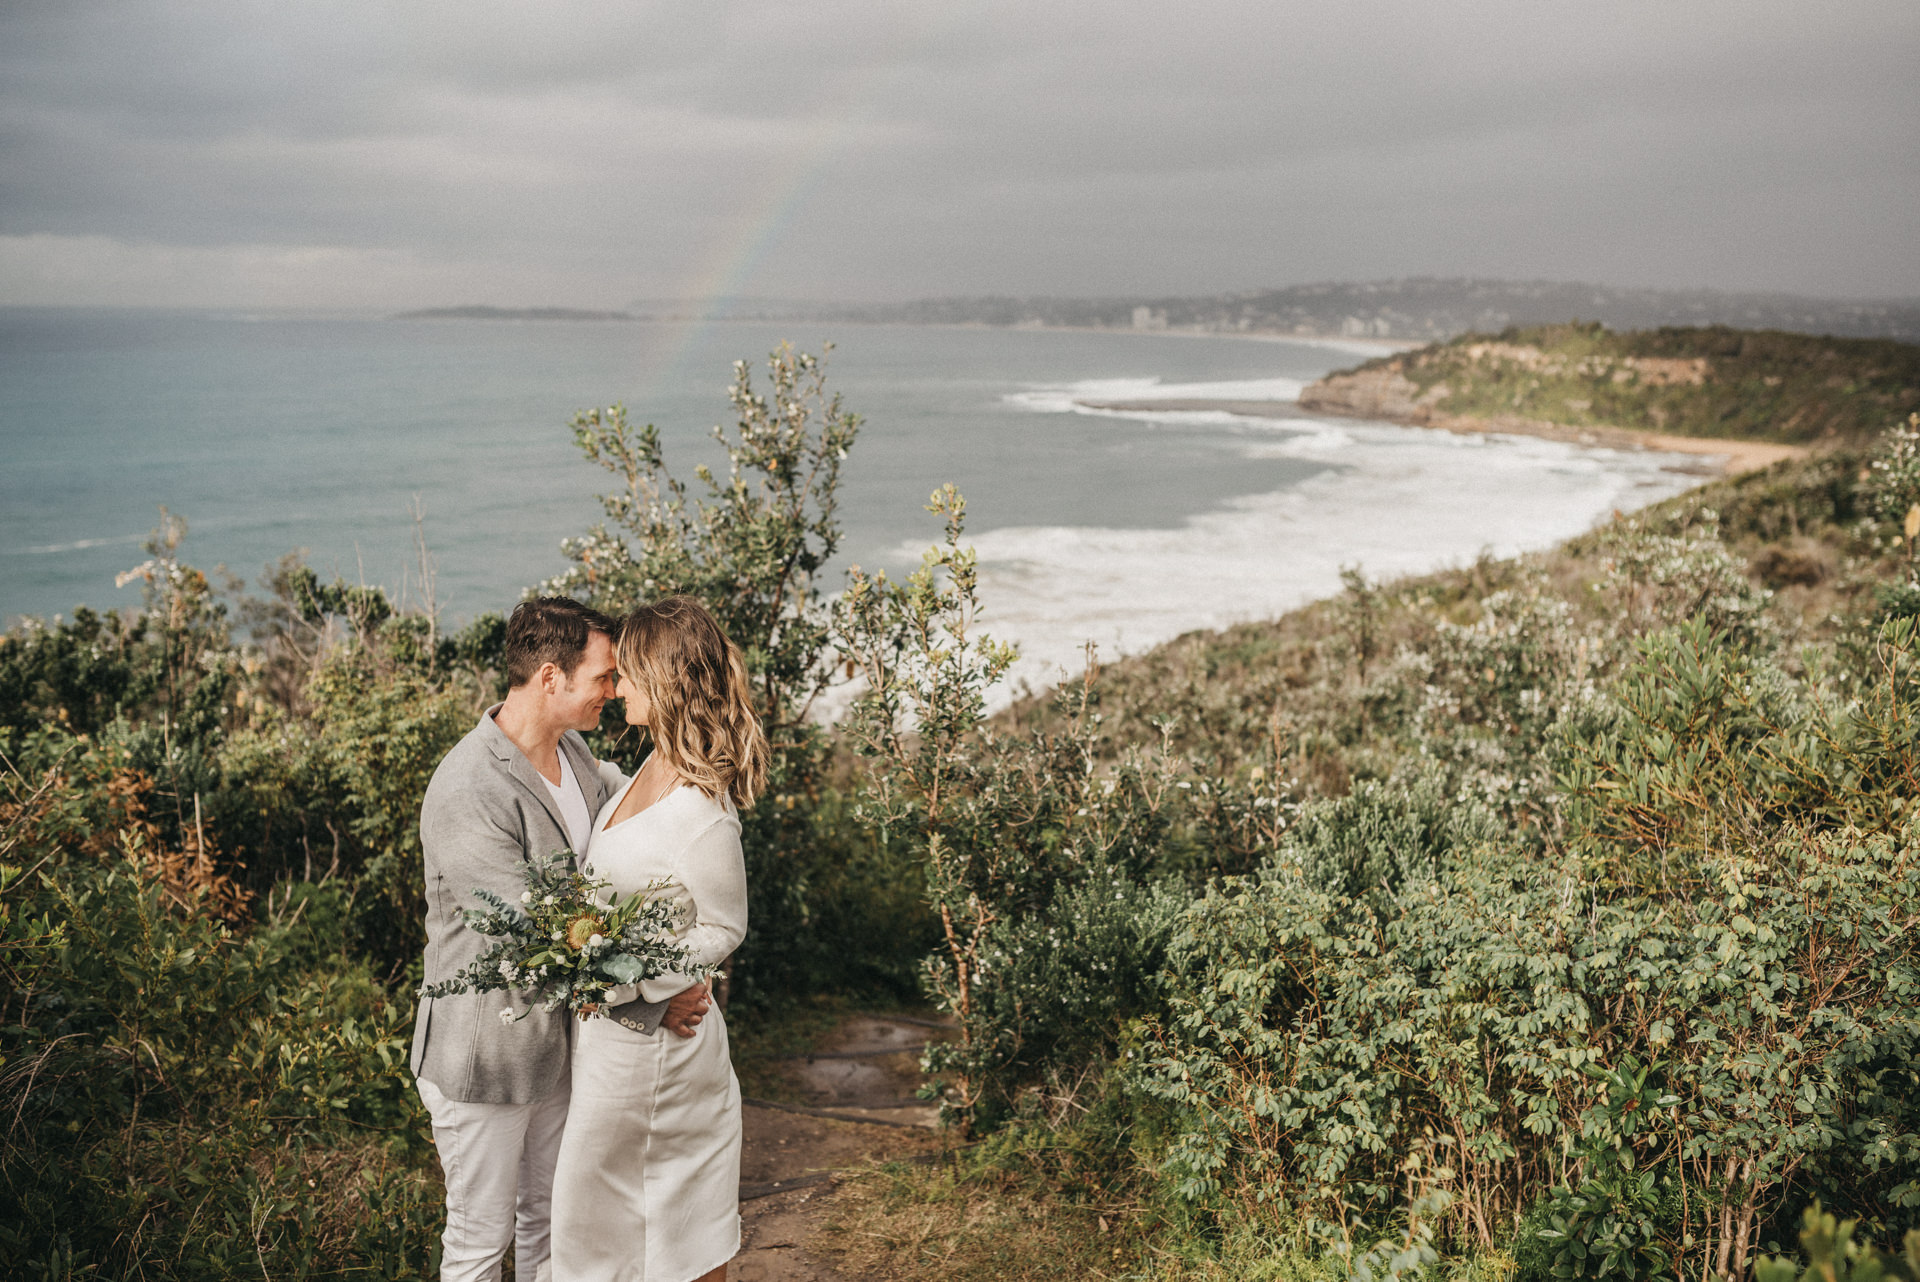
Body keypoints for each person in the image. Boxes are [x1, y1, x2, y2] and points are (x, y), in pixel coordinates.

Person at [412, 597, 713, 1282]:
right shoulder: (468, 787)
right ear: (552, 677)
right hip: (482, 1059)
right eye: (604, 676)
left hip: (556, 1047)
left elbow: (636, 813)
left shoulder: (573, 752)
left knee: (554, 1223)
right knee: (479, 1244)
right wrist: (648, 1005)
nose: (614, 689)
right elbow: (532, 937)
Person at [551, 595, 769, 1282]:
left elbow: (725, 926)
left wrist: (641, 973)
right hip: (612, 1040)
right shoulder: (647, 765)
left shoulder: (704, 813)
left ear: (666, 684)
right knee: (602, 1220)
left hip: (663, 1062)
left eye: (628, 677)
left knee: (676, 1227)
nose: (616, 690)